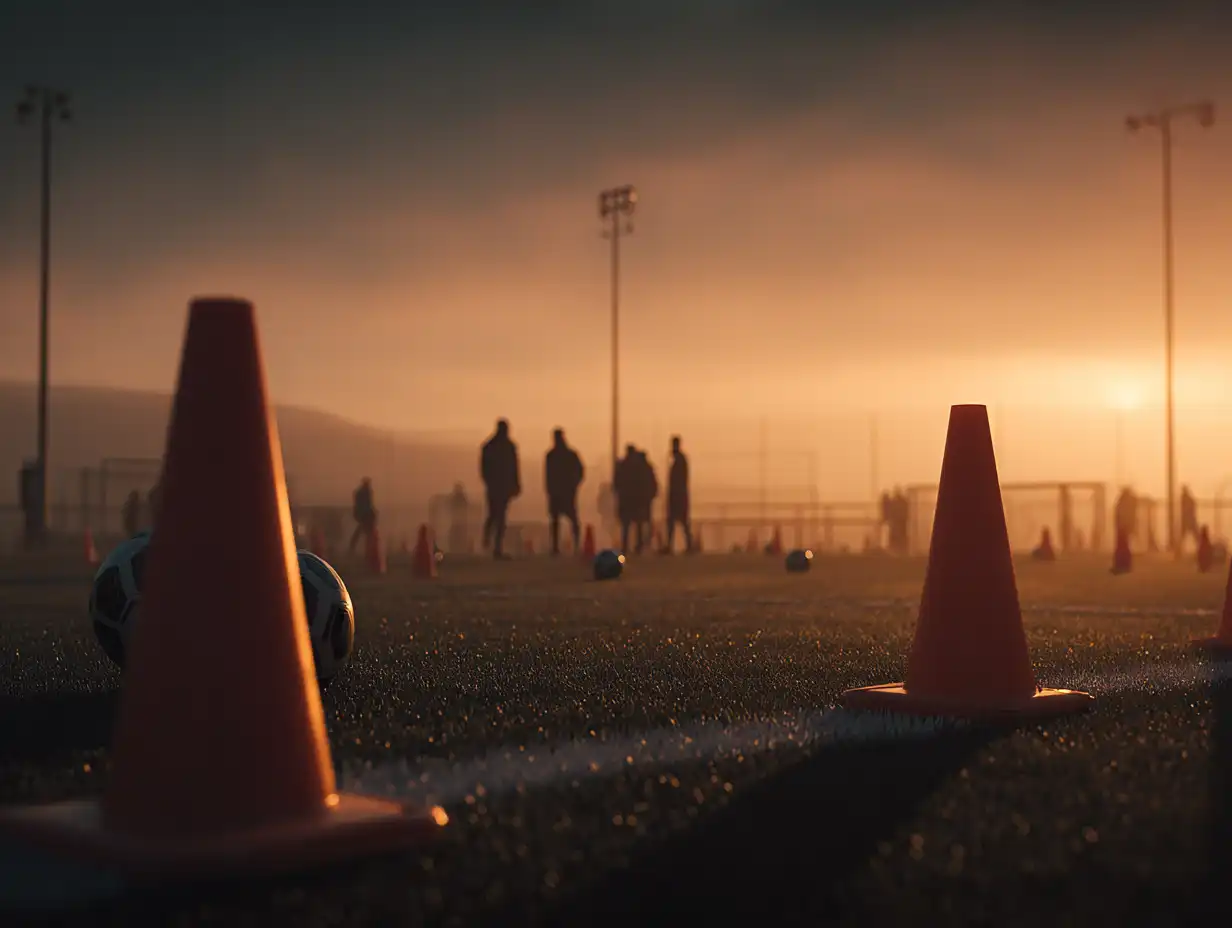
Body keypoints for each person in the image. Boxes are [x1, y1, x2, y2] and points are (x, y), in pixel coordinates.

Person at [480, 418, 521, 559]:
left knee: (496, 516)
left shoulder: (490, 446)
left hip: (499, 487)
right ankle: (494, 545)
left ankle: (493, 544)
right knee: (497, 516)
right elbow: (514, 468)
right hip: (499, 487)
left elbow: (514, 468)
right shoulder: (505, 447)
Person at [544, 428, 584, 556]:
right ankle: (564, 546)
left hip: (563, 491)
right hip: (562, 492)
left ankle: (570, 545)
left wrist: (574, 484)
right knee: (562, 520)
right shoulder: (566, 455)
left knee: (564, 520)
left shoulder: (554, 455)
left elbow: (580, 471)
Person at [665, 435, 692, 553]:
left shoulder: (679, 461)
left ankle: (686, 545)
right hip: (679, 495)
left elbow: (678, 480)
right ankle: (686, 545)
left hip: (678, 495)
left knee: (679, 521)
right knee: (680, 522)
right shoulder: (680, 460)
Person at [614, 444, 642, 554]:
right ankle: (638, 546)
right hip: (635, 499)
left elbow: (617, 482)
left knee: (626, 525)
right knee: (636, 523)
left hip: (626, 499)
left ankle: (626, 546)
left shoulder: (622, 465)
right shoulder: (638, 467)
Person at [348, 477, 377, 555]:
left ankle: (354, 547)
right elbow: (367, 504)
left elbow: (367, 504)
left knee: (363, 532)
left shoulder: (362, 492)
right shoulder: (364, 492)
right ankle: (355, 547)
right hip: (364, 515)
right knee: (365, 532)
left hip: (364, 515)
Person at [447, 482, 470, 554]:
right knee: (459, 535)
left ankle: (458, 548)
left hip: (459, 522)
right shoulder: (462, 498)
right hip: (458, 522)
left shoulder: (458, 498)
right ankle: (458, 548)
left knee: (459, 535)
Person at [1180, 484, 1199, 550]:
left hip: (1186, 519)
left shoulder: (1184, 498)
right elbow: (1192, 506)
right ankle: (1201, 548)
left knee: (1183, 536)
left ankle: (1178, 551)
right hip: (1189, 519)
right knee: (1195, 535)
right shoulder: (1187, 498)